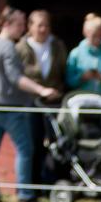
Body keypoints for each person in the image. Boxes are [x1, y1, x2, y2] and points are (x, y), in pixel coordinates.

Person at [0, 7, 60, 202]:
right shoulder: (8, 47)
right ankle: (25, 194)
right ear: (7, 24)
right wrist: (41, 90)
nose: (22, 29)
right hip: (9, 107)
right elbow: (16, 78)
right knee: (25, 150)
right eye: (19, 24)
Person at [16, 10, 68, 186]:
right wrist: (39, 90)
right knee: (33, 143)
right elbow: (18, 77)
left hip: (54, 102)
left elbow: (63, 72)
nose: (43, 29)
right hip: (31, 103)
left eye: (46, 25)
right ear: (30, 27)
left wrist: (57, 92)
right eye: (39, 25)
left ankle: (51, 183)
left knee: (56, 144)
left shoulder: (57, 46)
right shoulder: (22, 48)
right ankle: (32, 185)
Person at [65, 13, 101, 99]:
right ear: (85, 33)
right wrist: (82, 77)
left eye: (100, 36)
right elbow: (68, 82)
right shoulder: (75, 53)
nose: (97, 39)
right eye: (94, 36)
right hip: (80, 102)